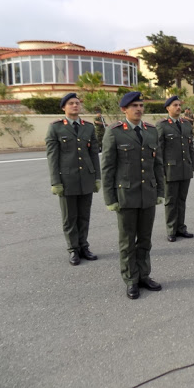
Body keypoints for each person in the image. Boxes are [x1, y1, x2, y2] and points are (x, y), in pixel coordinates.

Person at [101, 92, 165, 300]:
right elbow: (108, 168)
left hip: (148, 194)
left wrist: (160, 191)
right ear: (124, 110)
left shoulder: (151, 131)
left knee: (145, 240)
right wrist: (110, 198)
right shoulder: (115, 133)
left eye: (140, 105)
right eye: (134, 106)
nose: (139, 109)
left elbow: (157, 164)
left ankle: (144, 275)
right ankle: (131, 279)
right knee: (127, 241)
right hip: (126, 195)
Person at [45, 93, 101, 265]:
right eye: (71, 103)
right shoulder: (56, 128)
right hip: (67, 180)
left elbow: (94, 154)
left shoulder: (88, 127)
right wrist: (56, 181)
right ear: (64, 107)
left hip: (86, 178)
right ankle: (73, 249)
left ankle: (84, 246)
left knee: (84, 215)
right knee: (70, 218)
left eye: (77, 103)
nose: (75, 106)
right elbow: (52, 157)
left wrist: (97, 178)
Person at [157, 96, 194, 243]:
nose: (179, 107)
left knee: (181, 199)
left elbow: (190, 147)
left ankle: (181, 227)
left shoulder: (186, 124)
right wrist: (160, 171)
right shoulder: (162, 125)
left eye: (179, 105)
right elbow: (159, 150)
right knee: (171, 201)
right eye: (175, 105)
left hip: (185, 168)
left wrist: (192, 165)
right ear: (168, 108)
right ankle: (171, 229)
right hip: (170, 169)